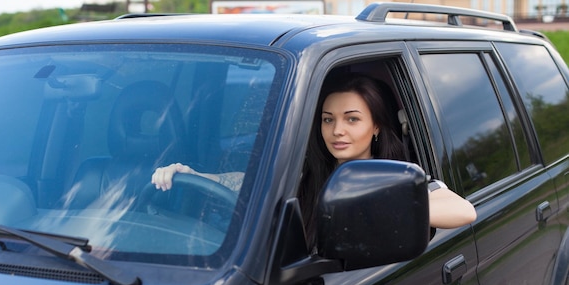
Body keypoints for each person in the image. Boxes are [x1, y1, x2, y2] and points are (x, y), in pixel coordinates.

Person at [151, 73, 476, 245]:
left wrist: (380, 198)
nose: (337, 130)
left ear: (375, 126)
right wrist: (190, 173)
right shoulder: (305, 173)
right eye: (327, 119)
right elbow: (239, 182)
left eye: (352, 119)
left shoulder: (395, 177)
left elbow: (462, 210)